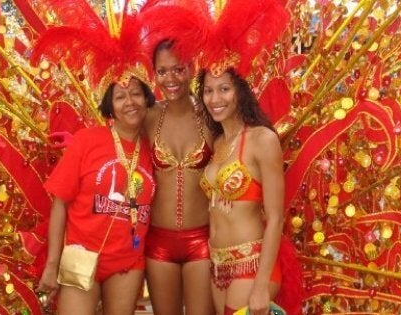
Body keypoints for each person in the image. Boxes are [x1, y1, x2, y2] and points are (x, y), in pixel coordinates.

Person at [37, 77, 157, 314]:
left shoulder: (155, 147)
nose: (129, 102)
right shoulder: (87, 140)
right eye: (120, 97)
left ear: (146, 98)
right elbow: (60, 204)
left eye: (136, 94)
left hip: (127, 264)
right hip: (81, 257)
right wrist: (52, 265)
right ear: (110, 106)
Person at [197, 67, 287, 315]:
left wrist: (261, 286)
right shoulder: (218, 142)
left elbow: (276, 218)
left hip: (252, 265)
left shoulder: (262, 140)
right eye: (208, 91)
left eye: (224, 89)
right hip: (218, 265)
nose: (215, 99)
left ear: (241, 91)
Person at [143, 39, 215, 315]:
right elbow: (115, 143)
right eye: (162, 72)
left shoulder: (211, 115)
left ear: (192, 68)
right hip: (158, 242)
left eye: (179, 69)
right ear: (155, 74)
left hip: (203, 241)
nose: (170, 79)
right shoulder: (148, 117)